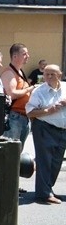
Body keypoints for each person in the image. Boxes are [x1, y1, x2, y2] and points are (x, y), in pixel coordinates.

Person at [26, 64, 66, 205]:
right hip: (44, 128)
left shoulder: (65, 88)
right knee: (44, 161)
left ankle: (47, 189)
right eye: (46, 74)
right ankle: (43, 194)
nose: (48, 77)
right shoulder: (39, 91)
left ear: (59, 75)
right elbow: (30, 112)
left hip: (62, 130)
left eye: (52, 74)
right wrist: (48, 110)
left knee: (56, 161)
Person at [1, 43, 34, 144]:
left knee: (18, 152)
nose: (27, 56)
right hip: (14, 117)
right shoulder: (9, 73)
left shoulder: (20, 72)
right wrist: (29, 89)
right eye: (24, 54)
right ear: (15, 56)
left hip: (24, 117)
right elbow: (11, 94)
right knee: (11, 152)